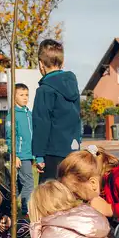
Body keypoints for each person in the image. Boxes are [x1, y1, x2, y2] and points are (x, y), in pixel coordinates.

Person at [31, 39, 81, 184]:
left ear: (41, 64)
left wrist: (39, 155)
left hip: (52, 152)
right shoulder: (73, 86)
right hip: (72, 149)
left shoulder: (44, 90)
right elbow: (77, 116)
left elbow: (41, 123)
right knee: (68, 191)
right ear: (62, 62)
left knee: (49, 196)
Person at [5, 83, 35, 215]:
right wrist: (15, 154)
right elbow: (10, 137)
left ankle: (5, 202)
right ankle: (26, 210)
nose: (25, 98)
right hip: (21, 154)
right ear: (14, 97)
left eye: (27, 95)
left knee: (20, 183)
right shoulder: (12, 115)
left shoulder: (29, 113)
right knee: (28, 182)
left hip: (29, 153)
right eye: (21, 95)